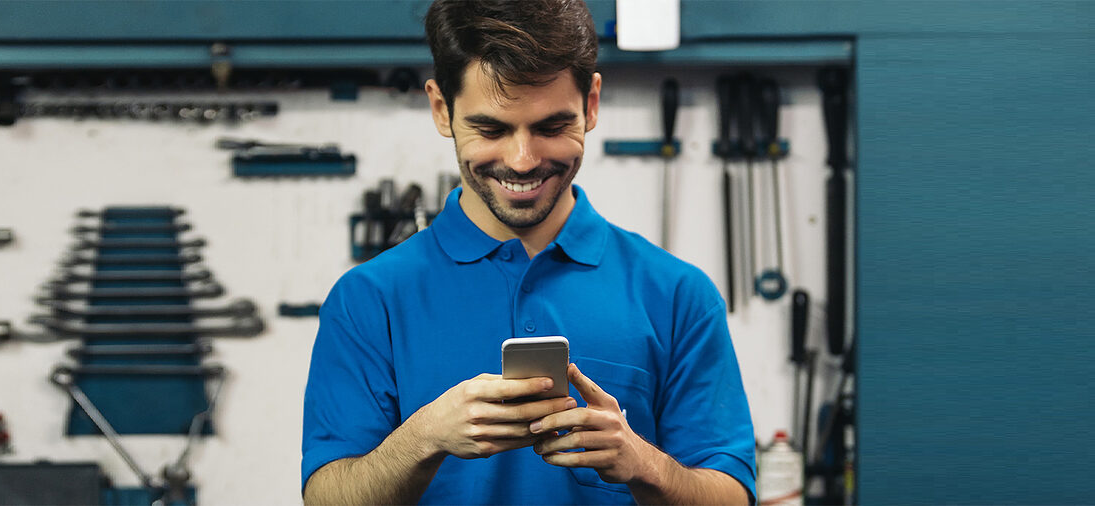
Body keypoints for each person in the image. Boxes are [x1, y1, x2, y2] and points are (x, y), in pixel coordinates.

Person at [300, 0, 755, 504]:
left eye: (552, 127)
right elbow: (326, 497)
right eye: (492, 129)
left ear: (592, 104)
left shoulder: (677, 294)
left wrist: (644, 464)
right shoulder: (368, 299)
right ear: (440, 109)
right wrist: (424, 437)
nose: (523, 160)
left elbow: (732, 495)